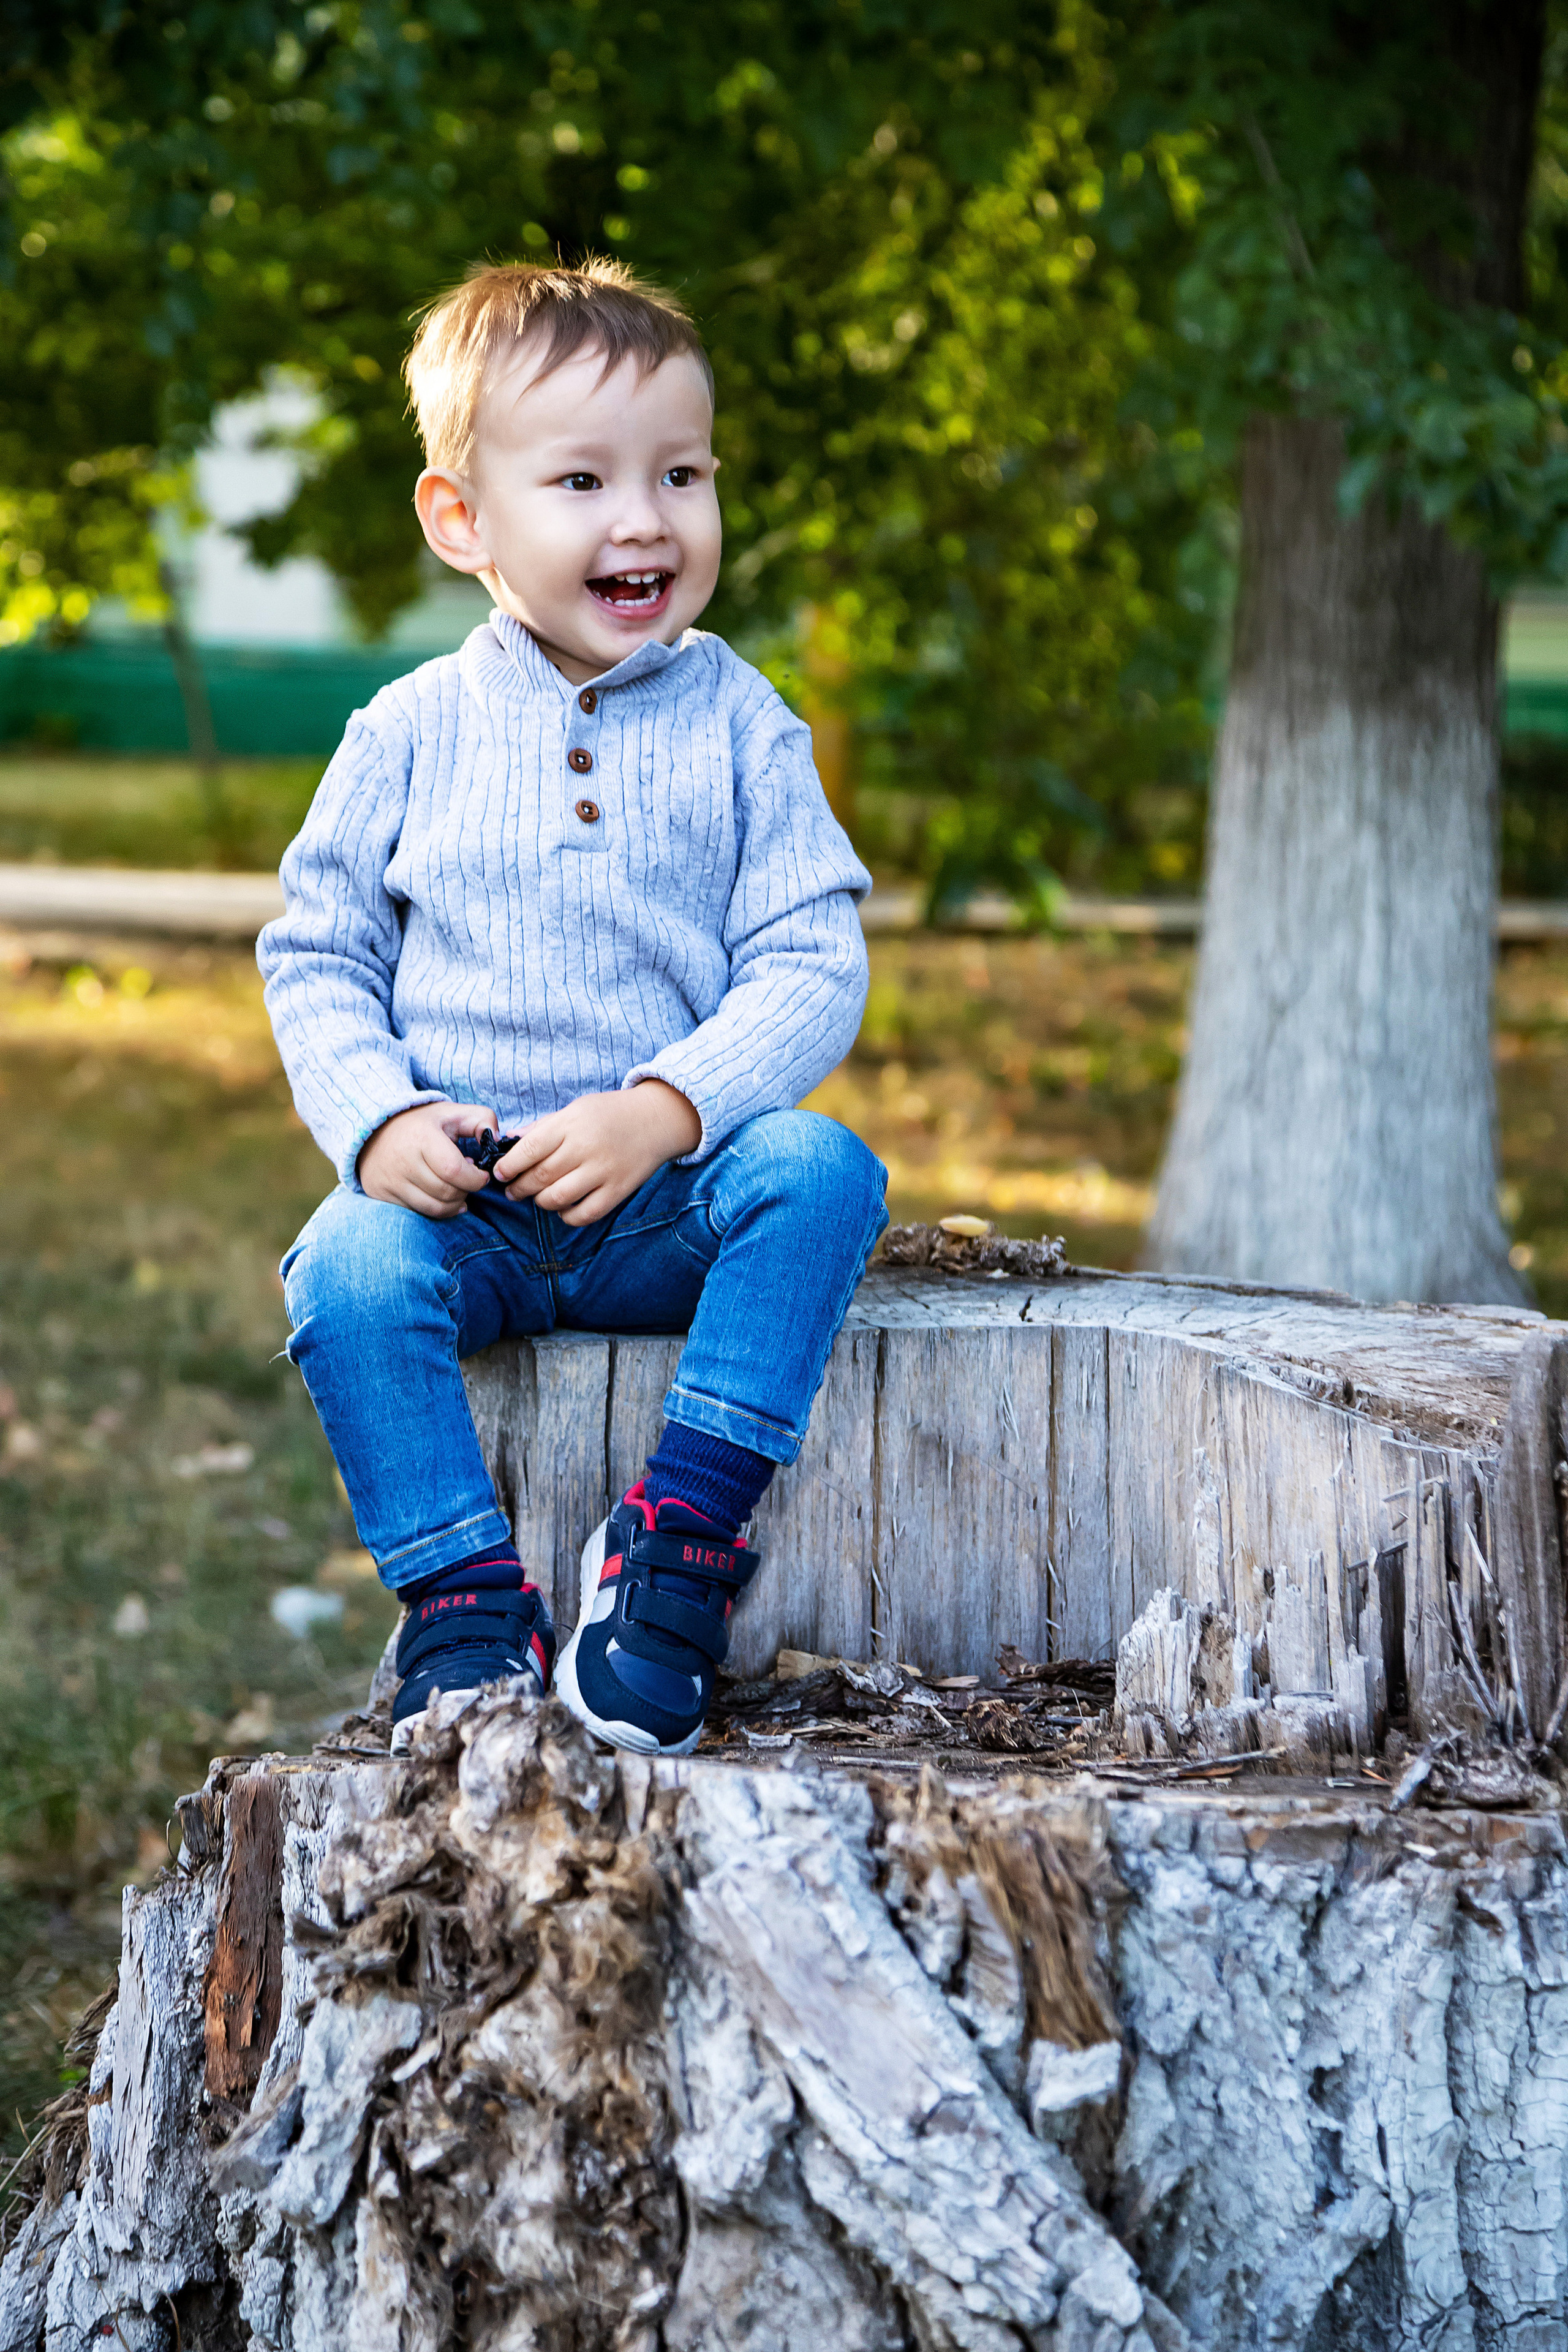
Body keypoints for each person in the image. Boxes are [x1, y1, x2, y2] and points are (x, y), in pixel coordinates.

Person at [258, 258, 887, 1759]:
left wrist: (664, 1110)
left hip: (665, 1196)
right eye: (584, 480)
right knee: (345, 1269)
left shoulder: (741, 722)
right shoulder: (408, 730)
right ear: (461, 519)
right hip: (467, 1203)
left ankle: (678, 1542)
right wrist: (380, 1123)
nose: (645, 519)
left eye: (681, 474)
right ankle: (463, 1599)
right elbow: (318, 955)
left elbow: (812, 959)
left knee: (821, 1172)